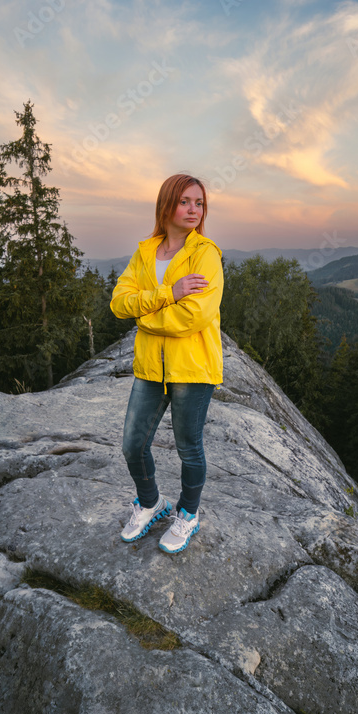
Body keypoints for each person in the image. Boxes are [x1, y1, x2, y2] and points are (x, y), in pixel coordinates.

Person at [109, 173, 224, 554]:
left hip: (192, 368)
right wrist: (167, 293)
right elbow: (118, 302)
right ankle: (151, 502)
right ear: (167, 204)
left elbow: (194, 316)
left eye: (199, 203)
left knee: (188, 447)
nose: (194, 209)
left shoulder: (206, 253)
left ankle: (188, 514)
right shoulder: (145, 252)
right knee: (132, 444)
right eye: (185, 201)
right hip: (150, 368)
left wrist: (146, 316)